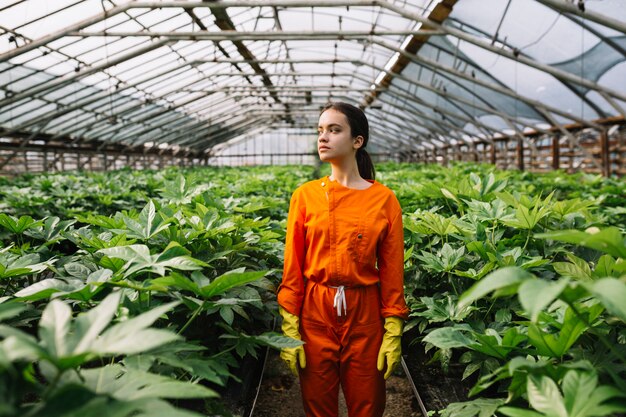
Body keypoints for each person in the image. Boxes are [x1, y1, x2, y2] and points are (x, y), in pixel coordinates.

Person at [277, 102, 409, 417]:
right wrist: (289, 321)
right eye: (320, 130)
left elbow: (392, 269)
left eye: (334, 130)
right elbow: (292, 265)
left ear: (357, 141)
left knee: (368, 405)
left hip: (364, 314)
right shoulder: (305, 195)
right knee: (317, 405)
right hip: (315, 310)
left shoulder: (384, 200)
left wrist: (392, 327)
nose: (323, 137)